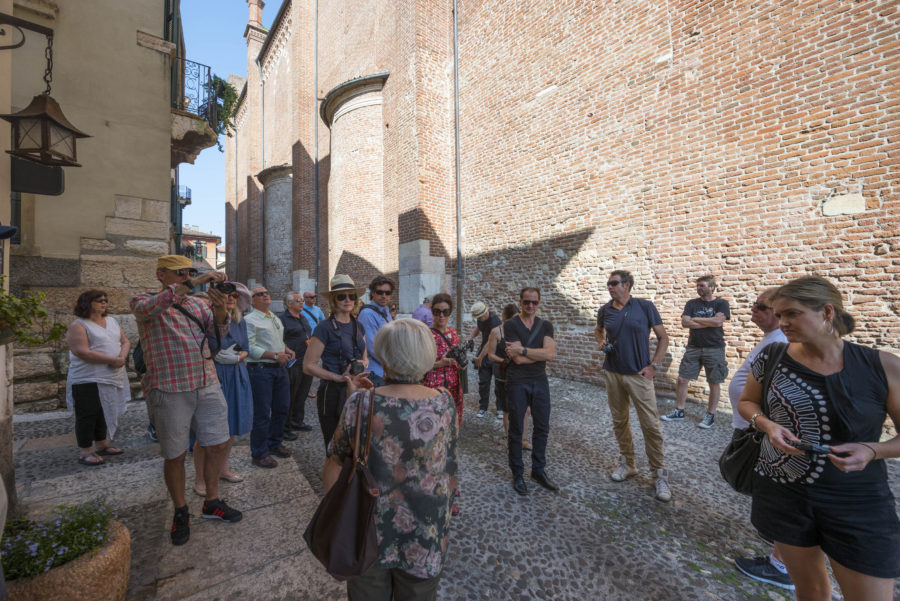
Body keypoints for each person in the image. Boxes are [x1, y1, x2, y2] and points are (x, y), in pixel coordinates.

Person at [737, 276, 900, 601]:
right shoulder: (772, 357)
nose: (782, 323)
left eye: (792, 314)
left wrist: (872, 450)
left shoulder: (882, 366)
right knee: (810, 591)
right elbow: (746, 402)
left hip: (856, 501)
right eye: (779, 314)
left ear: (826, 312)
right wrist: (766, 425)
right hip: (784, 494)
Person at [322, 318, 459, 601]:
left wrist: (354, 402)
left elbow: (333, 466)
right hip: (426, 534)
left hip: (368, 534)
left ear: (383, 358)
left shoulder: (362, 403)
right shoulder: (444, 402)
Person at [131, 255, 242, 546]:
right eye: (180, 273)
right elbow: (150, 308)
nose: (186, 277)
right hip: (169, 387)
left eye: (189, 272)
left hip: (206, 381)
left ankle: (212, 501)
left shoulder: (198, 304)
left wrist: (220, 310)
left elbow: (219, 333)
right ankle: (181, 510)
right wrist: (194, 282)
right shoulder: (143, 300)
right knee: (175, 453)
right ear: (161, 274)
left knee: (218, 442)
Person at [727, 289, 793, 591]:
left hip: (764, 435)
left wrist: (762, 425)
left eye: (760, 307)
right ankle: (782, 554)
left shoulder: (781, 342)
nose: (753, 310)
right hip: (756, 429)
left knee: (776, 498)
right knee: (767, 494)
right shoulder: (773, 340)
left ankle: (782, 564)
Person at [594, 269, 671, 502]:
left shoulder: (644, 307)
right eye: (608, 284)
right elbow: (598, 331)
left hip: (639, 375)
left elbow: (663, 338)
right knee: (619, 421)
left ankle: (659, 474)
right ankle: (628, 464)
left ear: (626, 285)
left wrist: (654, 366)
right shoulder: (604, 310)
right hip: (613, 374)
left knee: (650, 424)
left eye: (614, 283)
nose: (610, 287)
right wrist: (601, 341)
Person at [191, 284, 253, 495]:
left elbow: (247, 348)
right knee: (207, 430)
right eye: (227, 294)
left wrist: (238, 357)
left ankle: (222, 469)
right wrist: (215, 354)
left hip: (236, 373)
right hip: (213, 372)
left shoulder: (240, 321)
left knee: (231, 426)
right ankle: (199, 478)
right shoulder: (207, 319)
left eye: (235, 295)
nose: (231, 298)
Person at [303, 274, 369, 447]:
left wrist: (364, 362)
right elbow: (308, 366)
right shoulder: (324, 327)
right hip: (333, 391)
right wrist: (337, 377)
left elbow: (364, 350)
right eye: (341, 296)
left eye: (351, 296)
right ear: (333, 300)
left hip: (357, 389)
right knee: (335, 442)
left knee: (355, 440)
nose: (347, 300)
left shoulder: (357, 324)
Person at [503, 287, 558, 496]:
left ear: (539, 302)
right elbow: (515, 360)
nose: (530, 306)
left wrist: (524, 350)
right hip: (517, 381)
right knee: (517, 429)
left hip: (539, 381)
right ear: (520, 302)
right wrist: (538, 354)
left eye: (534, 302)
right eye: (526, 302)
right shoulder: (511, 325)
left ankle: (538, 471)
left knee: (542, 427)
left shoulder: (545, 325)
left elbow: (550, 354)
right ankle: (518, 473)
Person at [66, 290, 130, 466]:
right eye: (99, 300)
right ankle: (86, 450)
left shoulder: (111, 321)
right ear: (87, 303)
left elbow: (125, 341)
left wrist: (121, 358)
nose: (104, 303)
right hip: (87, 377)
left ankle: (101, 444)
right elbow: (81, 351)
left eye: (105, 300)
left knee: (105, 409)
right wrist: (112, 360)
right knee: (87, 413)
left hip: (112, 374)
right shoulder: (79, 325)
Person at [662, 275, 730, 428]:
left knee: (714, 382)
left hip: (714, 348)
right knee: (682, 379)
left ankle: (710, 415)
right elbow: (685, 322)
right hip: (693, 347)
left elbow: (718, 321)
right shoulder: (692, 303)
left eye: (702, 285)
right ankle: (679, 411)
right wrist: (709, 322)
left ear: (711, 287)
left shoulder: (721, 303)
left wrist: (696, 320)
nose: (699, 288)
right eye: (698, 285)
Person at [245, 286, 295, 468]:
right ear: (252, 301)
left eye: (266, 292)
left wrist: (286, 349)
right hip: (260, 370)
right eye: (259, 294)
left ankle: (274, 443)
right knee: (262, 413)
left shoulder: (273, 316)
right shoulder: (249, 320)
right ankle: (259, 453)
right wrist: (274, 355)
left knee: (282, 408)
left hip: (279, 369)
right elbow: (248, 347)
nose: (265, 295)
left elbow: (277, 340)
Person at [424, 293, 463, 425]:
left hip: (454, 387)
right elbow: (419, 366)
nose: (441, 316)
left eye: (445, 312)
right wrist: (439, 364)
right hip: (434, 388)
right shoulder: (426, 335)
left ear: (450, 313)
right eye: (437, 312)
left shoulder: (453, 333)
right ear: (432, 312)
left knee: (452, 425)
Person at [280, 291, 314, 435]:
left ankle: (297, 421)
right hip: (292, 362)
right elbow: (277, 340)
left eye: (302, 300)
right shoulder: (282, 319)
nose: (302, 302)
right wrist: (286, 350)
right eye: (298, 300)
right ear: (289, 303)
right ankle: (285, 427)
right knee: (290, 395)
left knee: (302, 393)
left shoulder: (303, 317)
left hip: (306, 361)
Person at [486, 303, 521, 437]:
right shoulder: (496, 332)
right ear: (505, 318)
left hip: (517, 372)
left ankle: (520, 437)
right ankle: (508, 438)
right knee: (507, 409)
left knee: (521, 408)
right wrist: (504, 360)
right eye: (513, 319)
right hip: (502, 372)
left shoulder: (518, 330)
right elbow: (491, 355)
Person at [357, 275, 395, 388]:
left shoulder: (386, 311)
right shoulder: (367, 313)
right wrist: (392, 365)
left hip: (385, 369)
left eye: (387, 293)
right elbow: (372, 347)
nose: (384, 296)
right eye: (380, 292)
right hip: (374, 371)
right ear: (373, 293)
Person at [468, 301, 502, 419]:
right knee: (483, 382)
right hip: (484, 353)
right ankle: (483, 407)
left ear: (485, 312)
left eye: (480, 317)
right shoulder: (480, 319)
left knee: (499, 383)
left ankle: (500, 408)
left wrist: (479, 357)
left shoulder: (495, 321)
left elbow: (490, 343)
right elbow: (477, 329)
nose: (479, 319)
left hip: (496, 353)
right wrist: (470, 338)